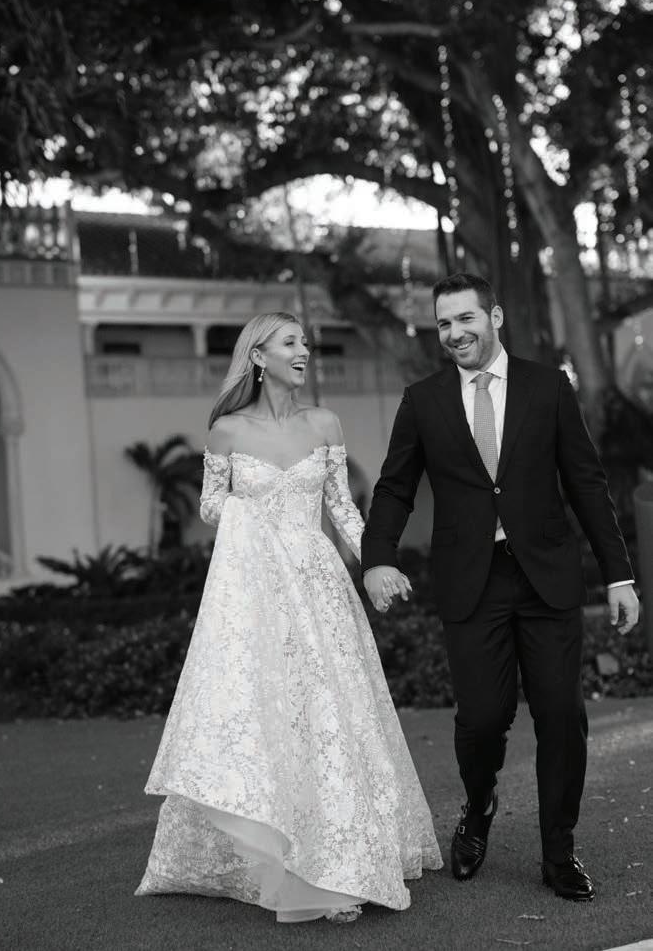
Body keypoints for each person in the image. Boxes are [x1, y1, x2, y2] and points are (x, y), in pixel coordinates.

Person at [136, 312, 442, 922]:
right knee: (269, 711)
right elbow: (211, 506)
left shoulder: (324, 423)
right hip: (255, 592)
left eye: (305, 341)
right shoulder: (226, 430)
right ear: (258, 356)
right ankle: (282, 858)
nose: (305, 350)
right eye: (290, 342)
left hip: (318, 585)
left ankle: (339, 859)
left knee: (327, 712)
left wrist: (376, 562)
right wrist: (255, 519)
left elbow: (343, 508)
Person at [362, 273, 639, 903]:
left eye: (465, 318)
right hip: (471, 581)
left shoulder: (549, 387)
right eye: (443, 323)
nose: (454, 333)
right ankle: (480, 800)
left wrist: (618, 574)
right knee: (483, 719)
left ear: (495, 316)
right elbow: (396, 486)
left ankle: (558, 850)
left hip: (546, 578)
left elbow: (586, 482)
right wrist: (377, 558)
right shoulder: (423, 400)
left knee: (561, 717)